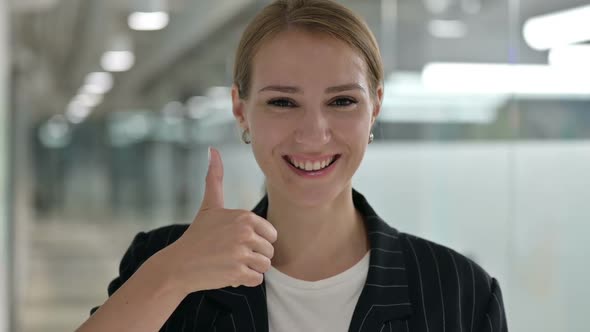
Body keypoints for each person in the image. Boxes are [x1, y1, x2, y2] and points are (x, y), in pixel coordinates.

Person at [77, 0, 508, 331]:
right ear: (240, 110)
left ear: (375, 107)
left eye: (342, 101)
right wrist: (171, 276)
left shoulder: (460, 291)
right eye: (282, 102)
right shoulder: (164, 261)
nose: (314, 133)